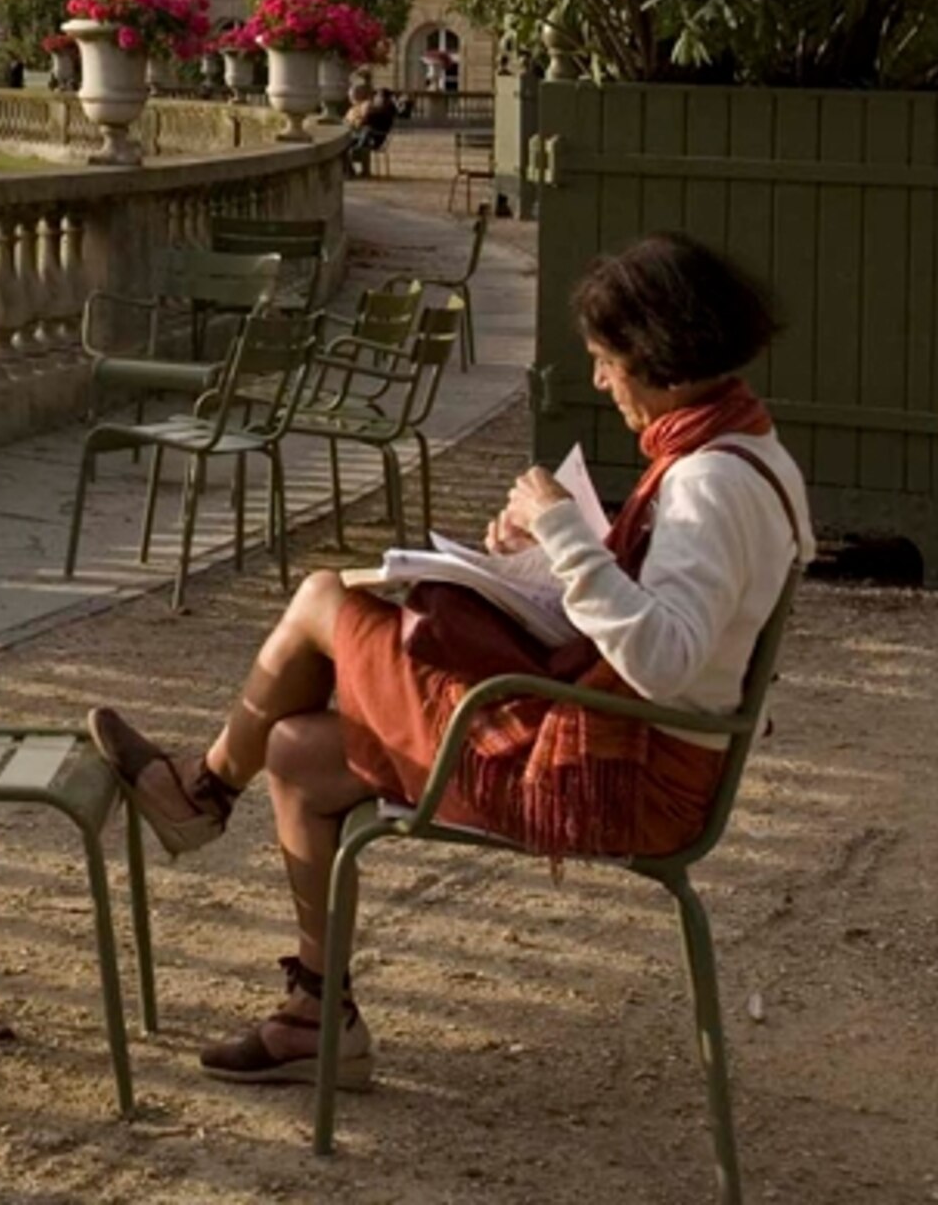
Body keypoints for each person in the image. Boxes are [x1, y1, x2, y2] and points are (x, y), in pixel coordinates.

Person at [83, 231, 813, 1090]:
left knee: (324, 598)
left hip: (628, 779)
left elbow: (660, 656)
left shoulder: (706, 485)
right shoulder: (744, 454)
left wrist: (566, 533)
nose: (599, 381)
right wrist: (534, 557)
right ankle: (318, 1017)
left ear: (655, 354)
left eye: (605, 360)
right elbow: (670, 624)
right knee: (298, 755)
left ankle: (201, 792)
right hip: (638, 745)